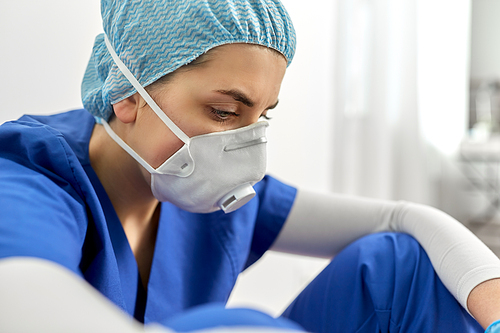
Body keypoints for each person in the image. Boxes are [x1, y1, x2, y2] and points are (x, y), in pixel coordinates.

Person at [1, 0, 500, 332]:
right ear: (129, 91)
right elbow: (20, 294)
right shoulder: (32, 177)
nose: (245, 146)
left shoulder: (207, 193)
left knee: (400, 266)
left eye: (262, 117)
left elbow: (402, 220)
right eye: (224, 112)